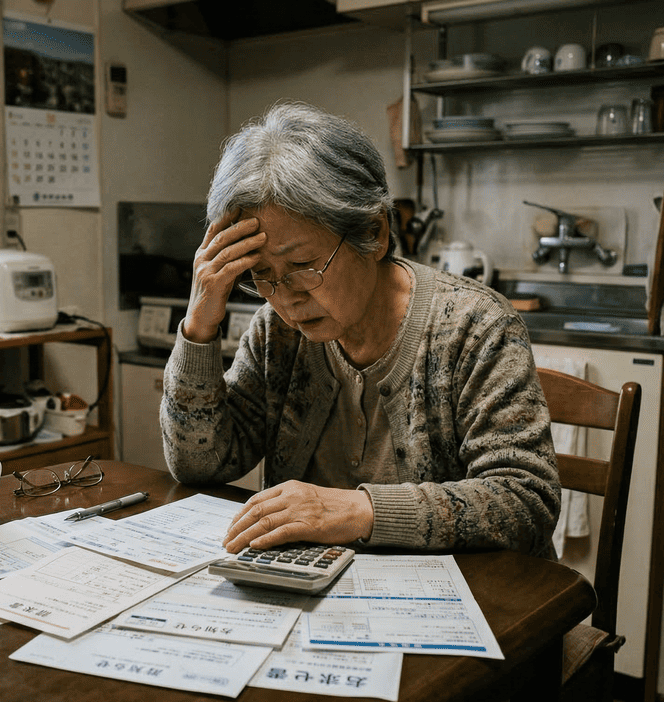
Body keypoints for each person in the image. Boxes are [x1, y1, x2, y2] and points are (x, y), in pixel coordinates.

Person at [161, 101, 560, 559]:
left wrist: (358, 510)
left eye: (303, 265)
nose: (286, 296)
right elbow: (199, 464)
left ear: (374, 233)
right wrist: (199, 327)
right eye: (259, 273)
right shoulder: (278, 331)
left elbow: (526, 503)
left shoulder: (475, 326)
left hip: (468, 602)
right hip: (319, 593)